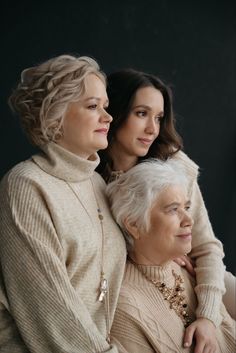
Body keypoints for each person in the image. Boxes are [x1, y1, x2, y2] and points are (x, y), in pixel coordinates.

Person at [96, 68, 236, 346]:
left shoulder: (174, 167)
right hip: (143, 287)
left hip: (204, 274)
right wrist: (160, 251)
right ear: (115, 112)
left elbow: (207, 247)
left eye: (158, 118)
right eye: (141, 113)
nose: (152, 129)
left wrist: (208, 315)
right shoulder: (93, 181)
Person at [0, 55, 126, 352]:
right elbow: (49, 309)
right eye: (93, 106)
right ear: (53, 115)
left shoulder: (97, 183)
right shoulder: (26, 185)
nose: (108, 117)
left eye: (105, 107)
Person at [106, 159, 236, 353]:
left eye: (187, 207)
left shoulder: (187, 269)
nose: (189, 220)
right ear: (133, 224)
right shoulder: (127, 309)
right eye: (173, 210)